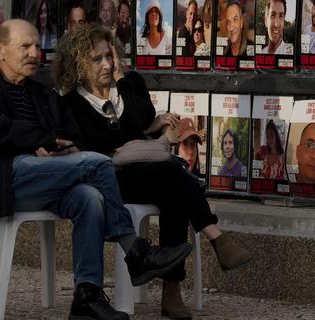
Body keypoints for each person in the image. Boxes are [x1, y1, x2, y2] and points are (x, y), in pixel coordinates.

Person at [0, 19, 193, 320]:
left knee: (90, 198)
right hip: (7, 179)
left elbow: (67, 133)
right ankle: (136, 252)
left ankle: (86, 297)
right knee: (98, 161)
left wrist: (63, 147)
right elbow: (2, 130)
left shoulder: (43, 94)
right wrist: (45, 139)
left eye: (37, 45)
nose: (35, 52)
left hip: (48, 178)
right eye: (25, 46)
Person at [53, 23, 252, 320]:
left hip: (147, 174)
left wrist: (122, 79)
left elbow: (144, 117)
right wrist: (126, 135)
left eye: (109, 56)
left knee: (174, 193)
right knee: (176, 178)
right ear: (78, 64)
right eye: (97, 59)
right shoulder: (70, 103)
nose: (107, 64)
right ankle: (213, 238)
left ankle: (173, 292)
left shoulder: (128, 87)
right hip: (109, 179)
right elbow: (91, 147)